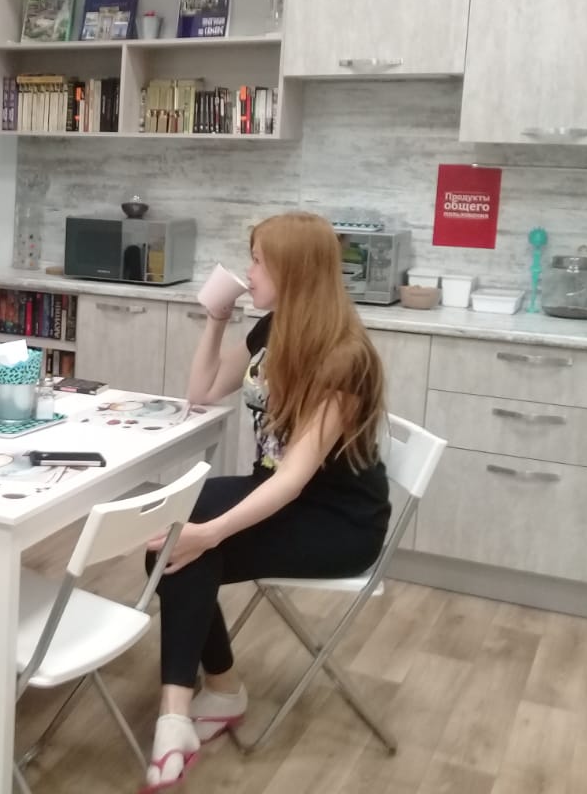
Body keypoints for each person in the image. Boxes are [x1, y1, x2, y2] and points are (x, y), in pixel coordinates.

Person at [141, 212, 389, 791]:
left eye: (257, 261)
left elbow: (295, 477)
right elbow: (202, 392)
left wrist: (212, 532)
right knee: (171, 531)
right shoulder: (271, 330)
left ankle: (190, 708)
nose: (248, 272)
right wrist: (215, 318)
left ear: (293, 271)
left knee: (186, 542)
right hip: (277, 493)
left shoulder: (344, 357)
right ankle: (200, 700)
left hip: (337, 520)